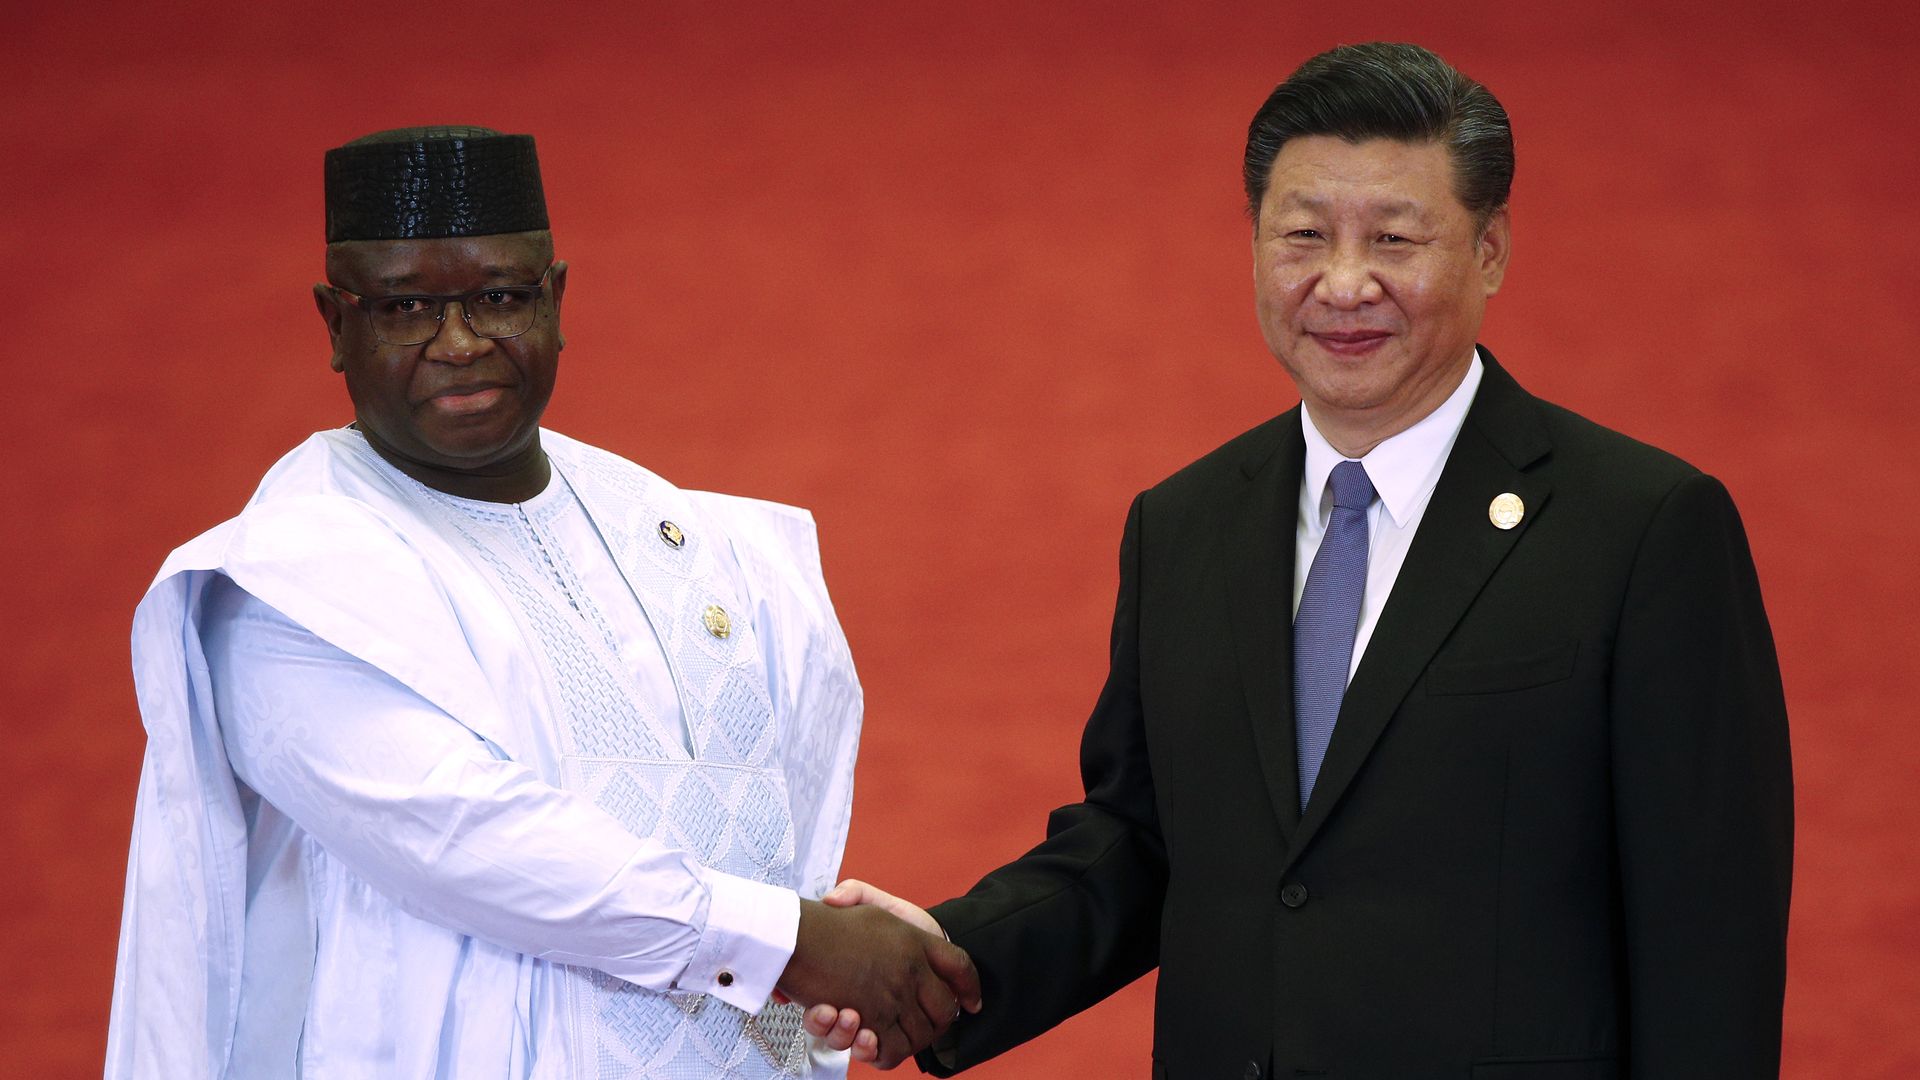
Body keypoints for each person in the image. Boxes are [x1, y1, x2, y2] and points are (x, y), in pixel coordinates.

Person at [806, 43, 1793, 1078]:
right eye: (1305, 236)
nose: (1345, 282)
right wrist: (943, 961)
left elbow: (1708, 940)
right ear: (1256, 247)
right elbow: (1144, 844)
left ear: (1490, 251)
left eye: (1395, 239)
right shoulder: (1183, 525)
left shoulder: (1642, 529)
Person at [107, 125, 977, 1079]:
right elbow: (472, 841)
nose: (459, 342)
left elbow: (765, 855)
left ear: (557, 301)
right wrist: (797, 946)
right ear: (334, 326)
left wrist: (798, 1025)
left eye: (498, 297)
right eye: (405, 306)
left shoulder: (690, 539)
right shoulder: (288, 583)